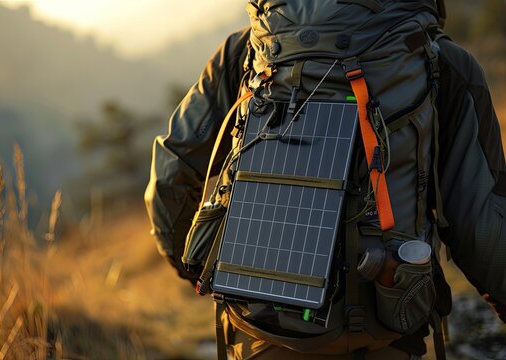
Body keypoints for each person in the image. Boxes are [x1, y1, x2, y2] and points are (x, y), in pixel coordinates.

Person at [145, 2, 505, 359]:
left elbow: (170, 176)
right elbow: (481, 224)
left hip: (260, 329)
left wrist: (201, 270)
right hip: (384, 327)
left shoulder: (247, 51)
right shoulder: (439, 60)